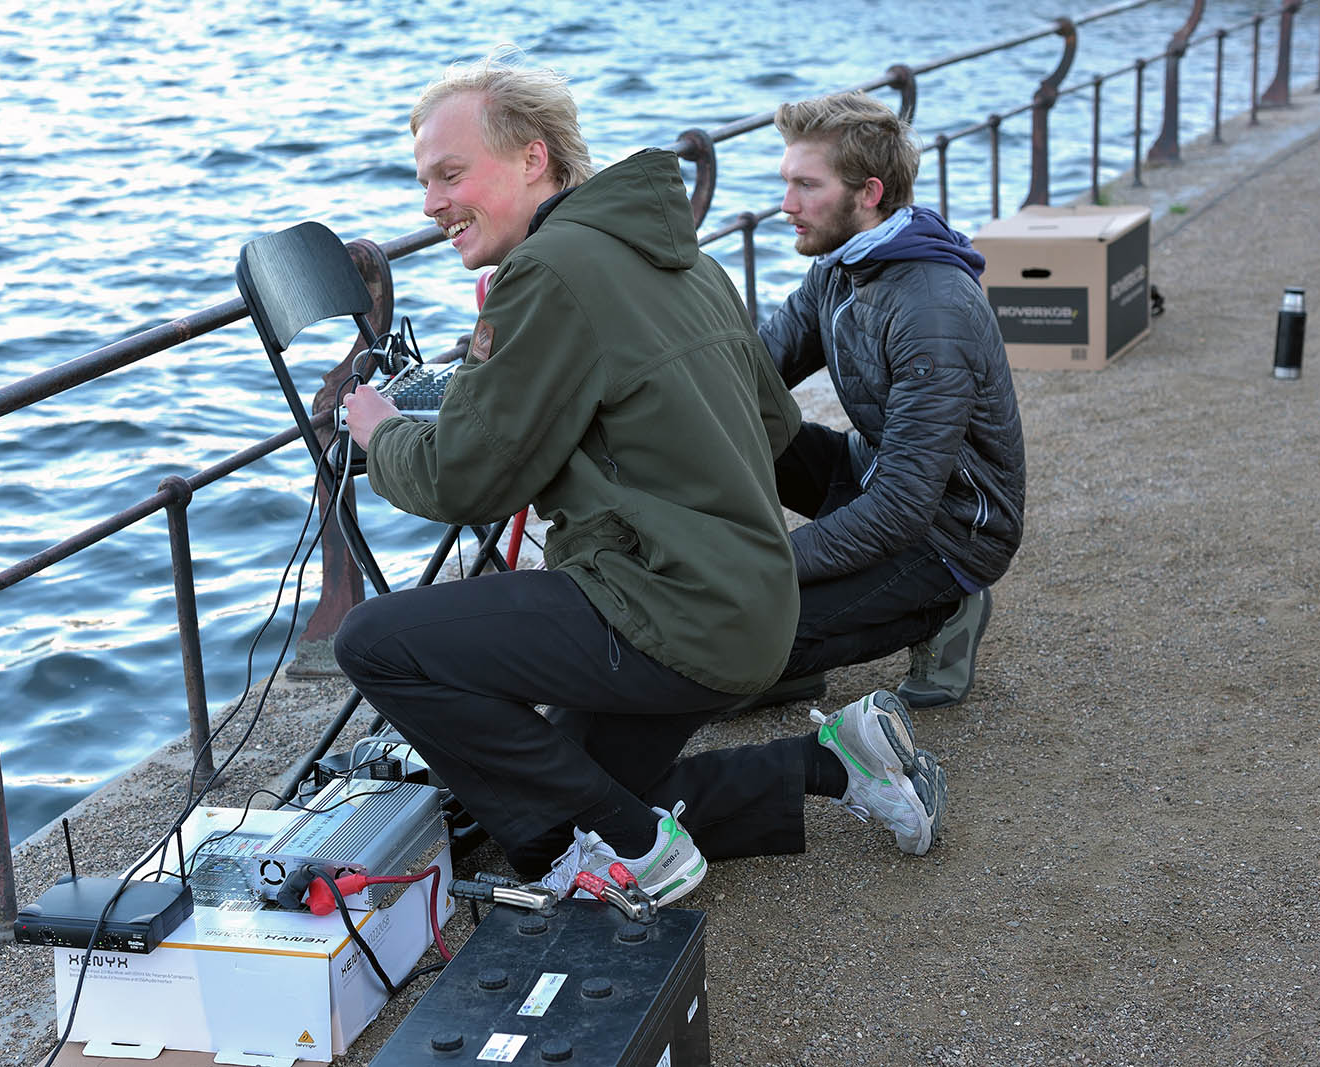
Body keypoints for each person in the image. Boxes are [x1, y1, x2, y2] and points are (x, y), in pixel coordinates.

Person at [334, 56, 947, 907]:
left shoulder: (546, 273)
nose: (431, 203)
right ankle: (826, 761)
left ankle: (635, 848)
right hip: (752, 609)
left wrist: (383, 430)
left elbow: (461, 479)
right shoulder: (686, 259)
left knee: (373, 641)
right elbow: (772, 427)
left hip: (666, 608)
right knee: (550, 815)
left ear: (532, 160)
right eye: (424, 182)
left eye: (449, 174)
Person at [748, 91, 1026, 713]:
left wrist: (761, 565)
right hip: (876, 472)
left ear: (869, 193)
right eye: (784, 183)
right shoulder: (842, 266)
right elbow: (749, 377)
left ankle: (945, 607)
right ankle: (786, 658)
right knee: (735, 425)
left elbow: (902, 508)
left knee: (735, 636)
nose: (785, 206)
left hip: (949, 529)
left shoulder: (931, 311)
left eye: (805, 186)